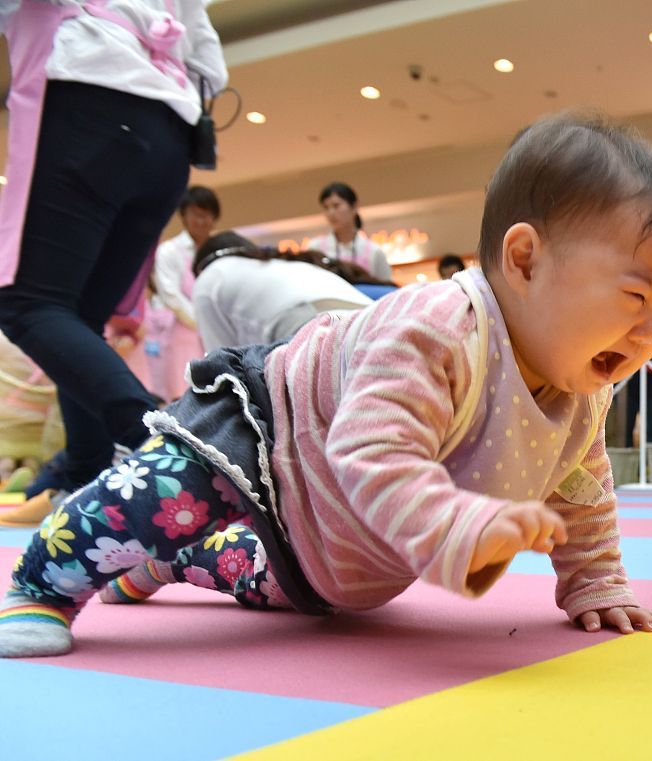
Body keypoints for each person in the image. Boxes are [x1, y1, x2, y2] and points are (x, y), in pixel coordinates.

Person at [0, 111, 652, 658]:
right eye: (636, 298)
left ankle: (171, 561)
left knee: (267, 576)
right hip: (271, 437)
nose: (650, 332)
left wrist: (594, 578)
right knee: (169, 493)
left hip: (334, 562)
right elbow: (372, 450)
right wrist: (460, 523)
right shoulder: (440, 329)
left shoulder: (585, 393)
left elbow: (583, 487)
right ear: (524, 260)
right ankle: (41, 583)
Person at [0, 1, 226, 513]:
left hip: (88, 101)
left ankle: (164, 447)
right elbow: (210, 63)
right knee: (78, 318)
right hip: (171, 135)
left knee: (26, 304)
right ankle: (83, 484)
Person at [190, 232, 379, 351]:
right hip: (373, 318)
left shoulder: (209, 279)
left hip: (314, 325)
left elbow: (222, 368)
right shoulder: (280, 265)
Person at [152, 185, 219, 401]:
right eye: (196, 215)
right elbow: (171, 295)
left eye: (207, 215)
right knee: (184, 394)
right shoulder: (170, 250)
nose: (201, 221)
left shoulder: (218, 249)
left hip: (215, 334)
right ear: (183, 216)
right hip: (182, 334)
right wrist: (202, 322)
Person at [310, 182, 393, 282]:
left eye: (336, 206)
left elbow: (387, 288)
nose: (331, 213)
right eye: (326, 207)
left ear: (354, 206)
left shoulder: (373, 251)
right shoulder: (316, 248)